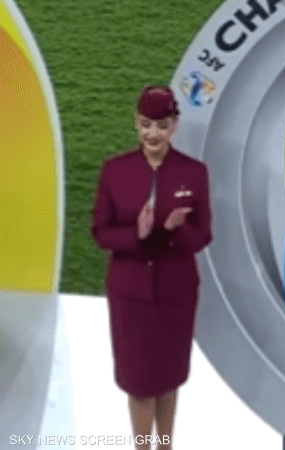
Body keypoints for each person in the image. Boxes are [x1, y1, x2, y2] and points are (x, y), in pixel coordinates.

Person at [91, 86, 213, 450]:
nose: (152, 134)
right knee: (138, 382)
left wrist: (176, 230)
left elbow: (203, 235)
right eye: (146, 124)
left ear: (174, 125)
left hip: (175, 292)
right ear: (136, 123)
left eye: (161, 125)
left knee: (168, 377)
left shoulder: (193, 173)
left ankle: (165, 446)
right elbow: (101, 231)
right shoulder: (115, 171)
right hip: (131, 294)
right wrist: (137, 234)